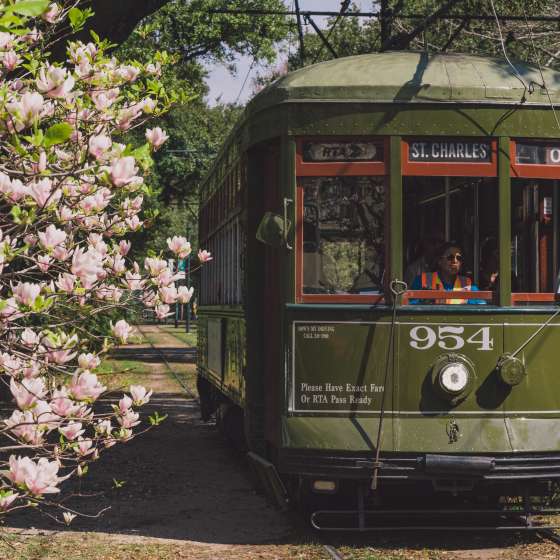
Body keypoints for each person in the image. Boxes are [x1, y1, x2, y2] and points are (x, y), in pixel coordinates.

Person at [410, 242, 486, 304]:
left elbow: (481, 306)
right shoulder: (421, 281)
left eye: (459, 258)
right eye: (450, 257)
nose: (455, 261)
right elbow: (409, 305)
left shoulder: (468, 284)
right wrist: (422, 301)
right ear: (439, 261)